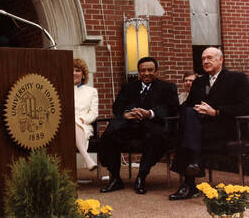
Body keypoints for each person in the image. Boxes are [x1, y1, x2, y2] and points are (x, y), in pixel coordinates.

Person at [169, 47, 249, 200]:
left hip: (227, 127)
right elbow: (188, 104)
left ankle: (189, 182)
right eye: (203, 59)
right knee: (189, 114)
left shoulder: (236, 78)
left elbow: (245, 106)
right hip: (200, 127)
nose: (205, 61)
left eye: (210, 58)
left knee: (188, 131)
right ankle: (192, 168)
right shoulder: (199, 82)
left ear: (221, 60)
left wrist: (216, 112)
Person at [99, 57, 179, 194]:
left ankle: (141, 177)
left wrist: (150, 113)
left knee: (154, 138)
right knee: (109, 135)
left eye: (150, 70)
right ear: (139, 72)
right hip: (130, 126)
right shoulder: (128, 87)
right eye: (143, 70)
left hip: (153, 127)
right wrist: (126, 114)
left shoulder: (167, 87)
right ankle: (115, 178)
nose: (146, 73)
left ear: (156, 71)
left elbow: (172, 109)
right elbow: (117, 106)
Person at [73, 58, 99, 171]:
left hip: (83, 125)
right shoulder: (61, 90)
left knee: (75, 124)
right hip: (64, 126)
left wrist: (82, 119)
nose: (74, 73)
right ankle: (87, 158)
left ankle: (86, 158)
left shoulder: (91, 91)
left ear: (83, 75)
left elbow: (94, 113)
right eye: (71, 70)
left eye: (77, 70)